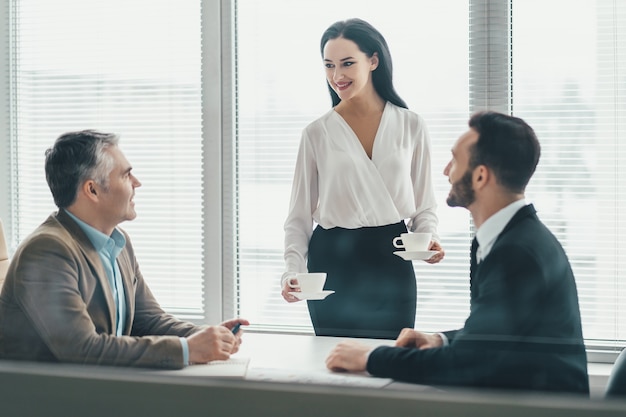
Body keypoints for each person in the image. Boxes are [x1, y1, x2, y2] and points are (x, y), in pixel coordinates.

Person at [325, 111, 590, 394]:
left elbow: (466, 364)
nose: (446, 170)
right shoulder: (511, 237)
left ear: (479, 176)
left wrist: (369, 357)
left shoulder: (517, 252)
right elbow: (494, 336)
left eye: (455, 160)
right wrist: (440, 340)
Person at [0, 130, 249, 369]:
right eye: (126, 175)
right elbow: (81, 349)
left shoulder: (118, 242)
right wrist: (187, 349)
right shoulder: (47, 251)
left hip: (97, 386)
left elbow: (147, 320)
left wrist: (207, 336)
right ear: (92, 190)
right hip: (45, 397)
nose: (137, 183)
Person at [281, 18, 444, 340]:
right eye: (328, 65)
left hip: (391, 258)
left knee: (392, 360)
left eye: (347, 63)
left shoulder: (411, 125)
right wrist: (293, 270)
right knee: (334, 360)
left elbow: (424, 206)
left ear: (373, 60)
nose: (336, 76)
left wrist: (428, 239)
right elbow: (298, 217)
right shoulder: (317, 133)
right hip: (332, 261)